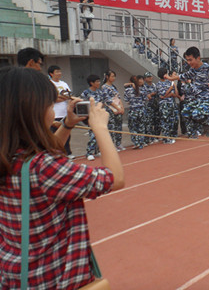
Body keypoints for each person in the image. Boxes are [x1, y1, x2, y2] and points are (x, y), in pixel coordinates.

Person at [0, 66, 124, 289]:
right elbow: (114, 178)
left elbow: (40, 159)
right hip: (53, 277)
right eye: (50, 104)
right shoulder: (44, 167)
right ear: (34, 110)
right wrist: (100, 128)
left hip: (15, 273)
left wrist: (67, 124)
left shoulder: (11, 157)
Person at [165, 46, 209, 137]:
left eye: (190, 60)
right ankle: (194, 132)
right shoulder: (193, 70)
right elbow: (183, 76)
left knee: (196, 113)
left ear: (198, 58)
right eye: (187, 60)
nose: (189, 63)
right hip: (199, 99)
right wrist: (170, 78)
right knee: (185, 111)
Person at [48, 65, 73, 157]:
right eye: (57, 71)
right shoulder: (49, 84)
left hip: (64, 113)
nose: (59, 73)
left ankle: (68, 152)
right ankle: (57, 153)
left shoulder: (64, 84)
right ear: (51, 73)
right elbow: (52, 98)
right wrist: (62, 98)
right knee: (55, 134)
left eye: (60, 71)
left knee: (67, 134)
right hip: (55, 114)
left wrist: (61, 98)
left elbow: (69, 96)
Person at [80, 74, 103, 161]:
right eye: (97, 81)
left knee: (99, 134)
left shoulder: (99, 92)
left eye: (99, 81)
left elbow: (102, 102)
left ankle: (96, 151)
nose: (99, 83)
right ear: (91, 83)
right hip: (91, 116)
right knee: (93, 134)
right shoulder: (86, 93)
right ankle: (89, 152)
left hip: (99, 115)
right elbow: (82, 104)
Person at [101, 70, 125, 151]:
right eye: (112, 76)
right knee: (111, 127)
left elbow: (118, 97)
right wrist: (117, 108)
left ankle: (118, 143)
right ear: (107, 77)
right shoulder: (104, 87)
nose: (113, 78)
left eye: (114, 76)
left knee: (119, 126)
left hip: (118, 108)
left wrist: (122, 107)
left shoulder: (114, 87)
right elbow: (107, 100)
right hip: (111, 109)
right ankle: (112, 145)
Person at [124, 75, 147, 149]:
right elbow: (145, 99)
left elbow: (126, 101)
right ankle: (141, 142)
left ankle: (136, 142)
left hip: (133, 110)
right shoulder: (143, 89)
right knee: (141, 126)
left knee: (133, 127)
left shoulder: (127, 90)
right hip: (141, 110)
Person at [156, 68, 178, 144]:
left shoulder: (169, 82)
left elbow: (174, 93)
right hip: (164, 105)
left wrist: (169, 92)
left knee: (171, 121)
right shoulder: (159, 84)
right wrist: (170, 89)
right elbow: (162, 95)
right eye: (166, 74)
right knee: (165, 121)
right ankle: (166, 138)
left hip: (171, 103)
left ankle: (170, 136)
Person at [143, 71, 158, 145]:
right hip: (147, 106)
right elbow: (145, 95)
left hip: (154, 105)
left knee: (155, 121)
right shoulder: (144, 86)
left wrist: (151, 94)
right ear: (145, 78)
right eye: (148, 77)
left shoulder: (154, 85)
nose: (150, 78)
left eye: (151, 76)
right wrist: (152, 94)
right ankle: (148, 138)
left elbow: (156, 93)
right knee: (148, 123)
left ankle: (154, 136)